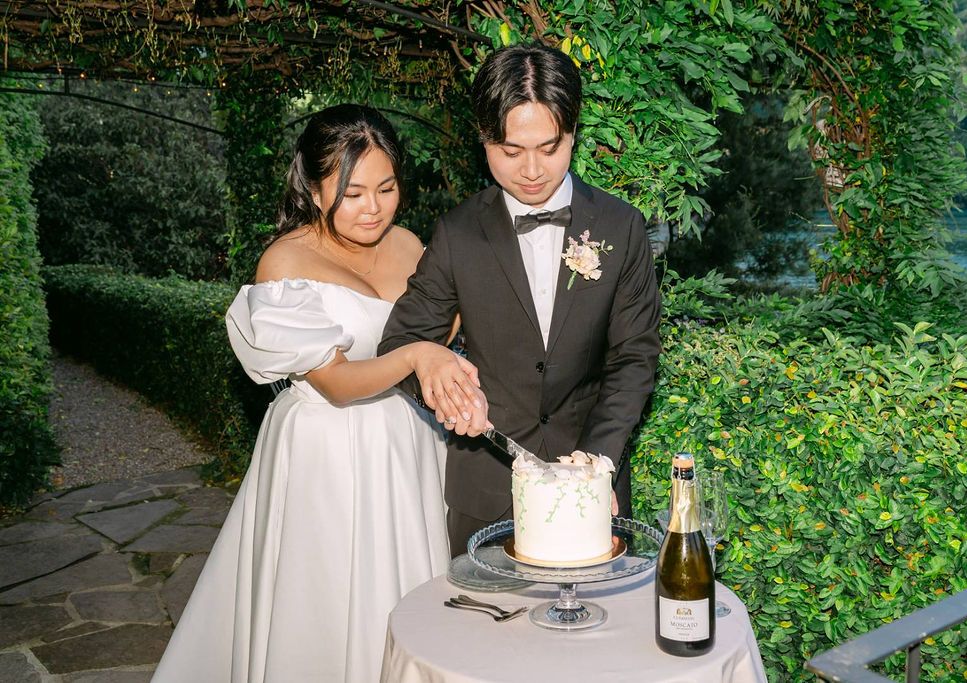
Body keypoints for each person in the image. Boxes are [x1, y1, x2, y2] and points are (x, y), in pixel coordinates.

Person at [153, 104, 478, 683]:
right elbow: (336, 383)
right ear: (310, 184)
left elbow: (446, 323)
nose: (373, 208)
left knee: (408, 591)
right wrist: (415, 356)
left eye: (387, 187)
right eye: (352, 193)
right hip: (326, 449)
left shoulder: (406, 242)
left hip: (405, 442)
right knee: (324, 601)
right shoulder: (284, 263)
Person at [379, 44, 662, 557]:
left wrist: (597, 463)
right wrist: (433, 373)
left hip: (595, 488)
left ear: (573, 133)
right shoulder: (457, 233)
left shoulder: (622, 227)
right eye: (510, 152)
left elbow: (634, 357)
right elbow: (399, 342)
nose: (531, 169)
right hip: (486, 492)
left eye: (549, 148)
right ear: (484, 140)